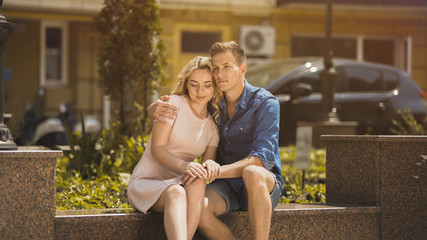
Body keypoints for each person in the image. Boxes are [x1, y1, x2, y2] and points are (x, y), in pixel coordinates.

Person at [150, 41, 284, 240]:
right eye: (216, 68)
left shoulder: (265, 103)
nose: (220, 74)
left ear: (242, 69)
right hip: (225, 186)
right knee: (197, 209)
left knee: (252, 172)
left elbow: (261, 159)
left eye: (227, 67)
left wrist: (217, 170)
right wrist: (152, 109)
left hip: (261, 186)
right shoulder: (212, 103)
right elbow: (182, 102)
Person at [127, 56, 223, 240]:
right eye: (194, 84)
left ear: (215, 87)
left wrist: (210, 166)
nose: (200, 91)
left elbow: (207, 161)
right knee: (177, 192)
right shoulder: (172, 104)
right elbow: (158, 148)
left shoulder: (212, 126)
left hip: (179, 179)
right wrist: (184, 166)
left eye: (207, 85)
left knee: (198, 181)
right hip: (149, 181)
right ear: (186, 84)